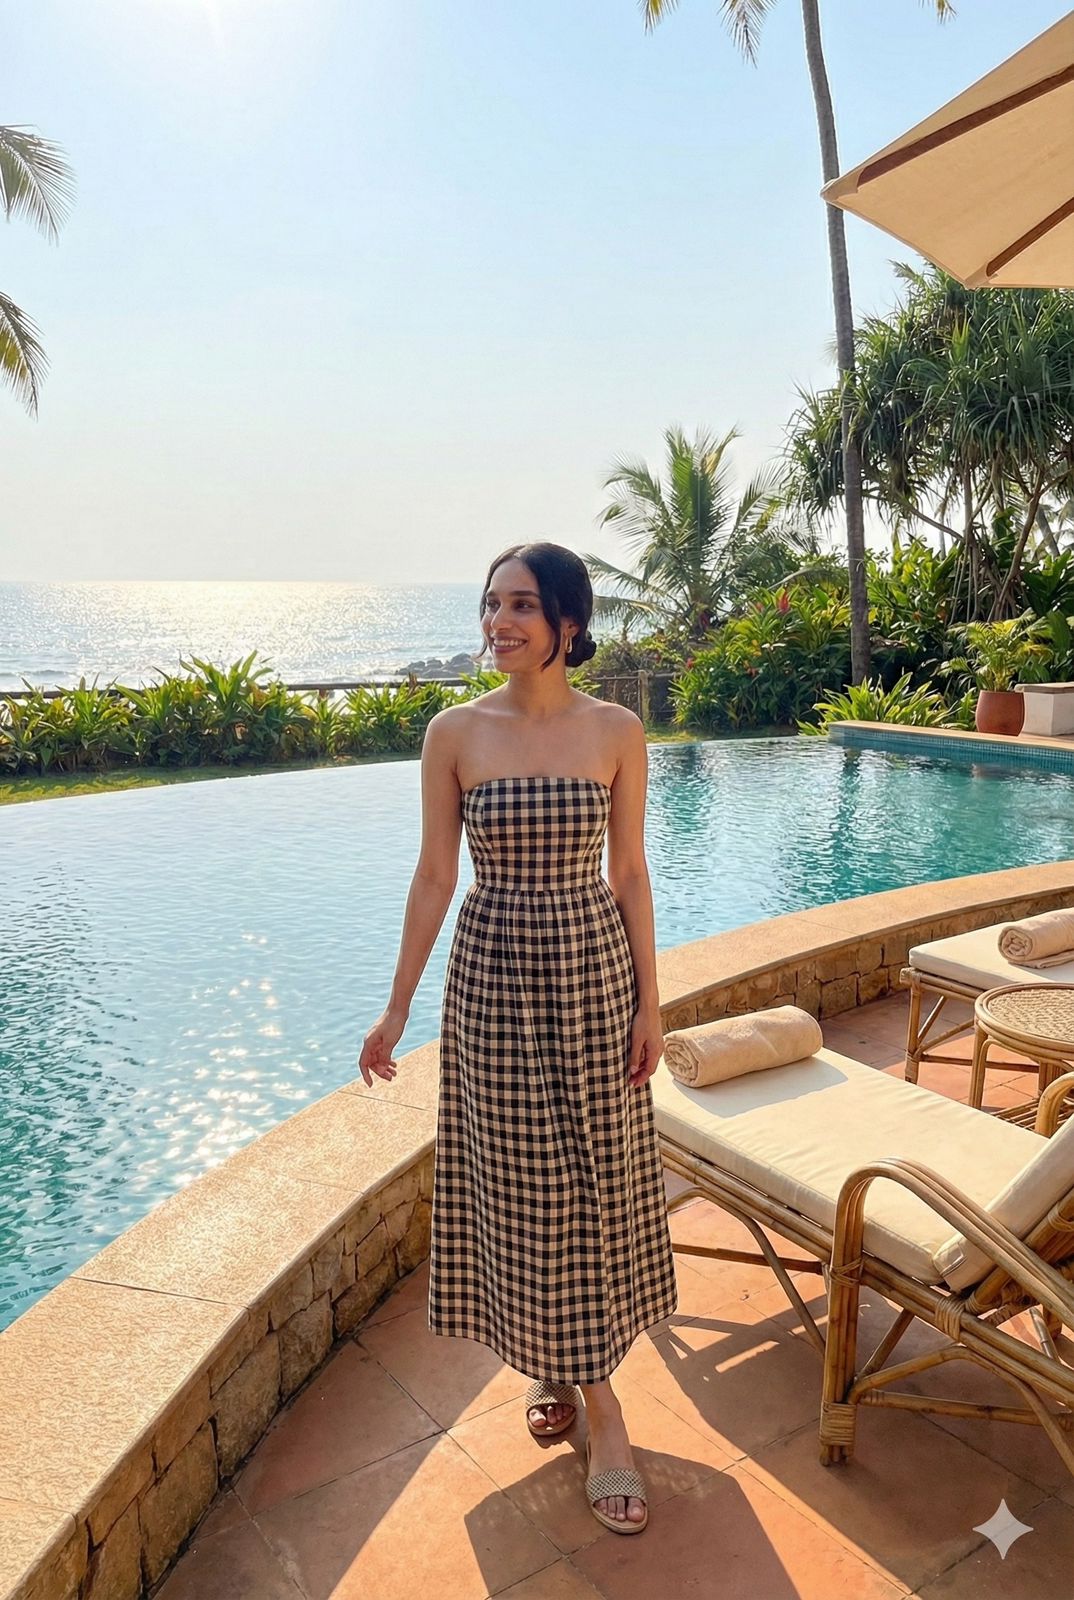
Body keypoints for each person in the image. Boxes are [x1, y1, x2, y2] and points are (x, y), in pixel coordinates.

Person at [359, 541, 678, 1535]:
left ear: (568, 624)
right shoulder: (454, 733)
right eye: (491, 603)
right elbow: (434, 876)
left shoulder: (616, 730)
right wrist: (396, 1006)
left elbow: (629, 873)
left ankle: (593, 1391)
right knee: (522, 1186)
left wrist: (652, 1003)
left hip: (592, 975)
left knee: (593, 1182)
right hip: (493, 981)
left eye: (522, 605)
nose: (499, 621)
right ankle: (572, 1374)